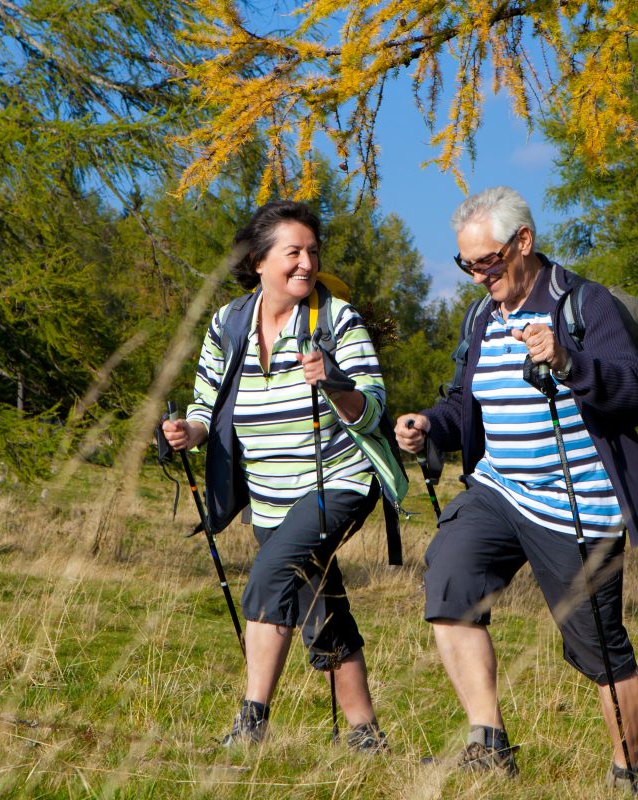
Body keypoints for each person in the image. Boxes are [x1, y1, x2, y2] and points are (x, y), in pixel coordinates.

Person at [395, 186, 638, 788]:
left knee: (598, 648)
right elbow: (464, 404)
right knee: (449, 581)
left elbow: (631, 387)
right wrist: (429, 425)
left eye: (486, 262)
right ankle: (488, 744)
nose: (477, 276)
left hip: (577, 502)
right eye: (466, 265)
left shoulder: (586, 305)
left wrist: (568, 362)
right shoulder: (481, 317)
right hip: (500, 490)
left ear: (523, 243)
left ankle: (628, 767)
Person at [162, 200, 406, 751]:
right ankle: (366, 734)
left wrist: (335, 384)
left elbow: (372, 409)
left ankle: (251, 724)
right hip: (269, 499)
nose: (306, 263)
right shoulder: (228, 323)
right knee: (321, 602)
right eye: (292, 252)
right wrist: (187, 432)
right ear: (258, 261)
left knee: (271, 575)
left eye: (312, 252)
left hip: (339, 484)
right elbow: (206, 407)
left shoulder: (337, 320)